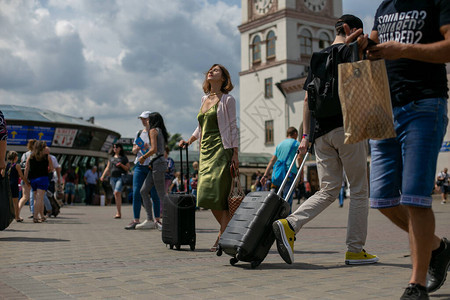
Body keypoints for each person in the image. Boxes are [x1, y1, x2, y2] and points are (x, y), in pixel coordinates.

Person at [272, 15, 378, 267]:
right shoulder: (351, 52)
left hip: (320, 135)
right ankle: (355, 250)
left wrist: (306, 137)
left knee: (328, 189)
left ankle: (290, 224)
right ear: (349, 29)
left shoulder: (317, 58)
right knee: (360, 189)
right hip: (347, 128)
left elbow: (308, 100)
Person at [364, 1, 450, 298]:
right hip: (384, 110)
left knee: (415, 198)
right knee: (383, 199)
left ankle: (417, 284)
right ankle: (438, 247)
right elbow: (373, 48)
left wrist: (403, 50)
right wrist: (362, 45)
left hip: (423, 105)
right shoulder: (384, 6)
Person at [179, 63, 239, 251]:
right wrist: (189, 141)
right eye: (210, 70)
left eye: (216, 70)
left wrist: (235, 153)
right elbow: (200, 125)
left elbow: (232, 126)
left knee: (218, 195)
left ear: (223, 78)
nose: (211, 72)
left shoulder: (228, 100)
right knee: (205, 194)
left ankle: (223, 236)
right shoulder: (204, 98)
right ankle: (227, 231)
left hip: (222, 149)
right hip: (205, 151)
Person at [125, 111, 160, 230]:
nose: (143, 121)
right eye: (142, 119)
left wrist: (148, 148)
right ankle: (136, 219)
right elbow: (134, 150)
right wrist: (139, 147)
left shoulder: (155, 132)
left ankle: (157, 220)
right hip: (140, 165)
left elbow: (158, 149)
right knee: (136, 192)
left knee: (155, 193)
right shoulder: (139, 133)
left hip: (152, 165)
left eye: (145, 119)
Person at [137, 112, 171, 231]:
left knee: (161, 194)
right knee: (144, 191)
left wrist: (143, 157)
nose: (146, 121)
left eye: (148, 120)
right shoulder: (160, 131)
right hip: (158, 163)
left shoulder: (153, 131)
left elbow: (154, 149)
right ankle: (150, 219)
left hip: (157, 163)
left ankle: (168, 220)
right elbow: (157, 149)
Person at [260, 127, 300, 212]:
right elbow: (299, 158)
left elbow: (272, 160)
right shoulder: (296, 143)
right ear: (295, 134)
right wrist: (300, 171)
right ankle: (286, 219)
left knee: (279, 197)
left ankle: (278, 216)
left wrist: (265, 175)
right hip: (289, 172)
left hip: (278, 174)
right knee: (287, 198)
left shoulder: (280, 145)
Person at [24, 141, 53, 223]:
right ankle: (36, 217)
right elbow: (51, 168)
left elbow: (26, 168)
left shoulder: (30, 156)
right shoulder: (47, 157)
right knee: (39, 198)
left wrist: (25, 180)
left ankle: (42, 216)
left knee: (37, 198)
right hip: (43, 178)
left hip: (33, 179)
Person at [100, 143, 129, 219]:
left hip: (121, 177)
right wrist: (103, 176)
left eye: (116, 147)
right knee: (116, 194)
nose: (115, 148)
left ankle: (118, 212)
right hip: (112, 178)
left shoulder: (124, 158)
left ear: (120, 148)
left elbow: (127, 168)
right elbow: (107, 167)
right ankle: (118, 212)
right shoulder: (111, 158)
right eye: (114, 147)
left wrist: (121, 165)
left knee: (117, 192)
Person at [6, 151, 28, 222]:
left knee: (7, 201)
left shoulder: (6, 165)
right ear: (15, 157)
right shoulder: (17, 166)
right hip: (14, 185)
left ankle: (8, 216)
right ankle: (17, 216)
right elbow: (21, 176)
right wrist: (27, 182)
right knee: (15, 202)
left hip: (7, 184)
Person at [18, 139, 36, 217]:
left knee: (25, 197)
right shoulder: (35, 154)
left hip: (24, 177)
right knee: (34, 196)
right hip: (33, 177)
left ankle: (17, 212)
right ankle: (34, 213)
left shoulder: (24, 154)